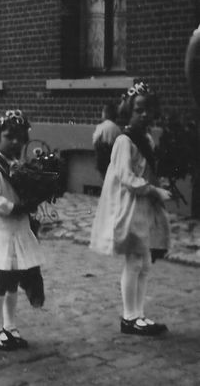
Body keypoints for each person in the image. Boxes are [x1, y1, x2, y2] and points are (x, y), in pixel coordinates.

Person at [89, 82, 172, 336]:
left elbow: (147, 169)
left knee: (144, 262)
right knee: (135, 260)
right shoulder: (124, 140)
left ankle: (139, 314)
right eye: (138, 110)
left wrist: (159, 183)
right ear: (128, 111)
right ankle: (129, 316)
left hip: (144, 204)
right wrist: (153, 190)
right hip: (130, 204)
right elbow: (125, 176)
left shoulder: (146, 137)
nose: (144, 115)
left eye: (148, 110)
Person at [0, 110, 43, 351]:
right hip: (0, 230)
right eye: (9, 135)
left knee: (14, 277)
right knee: (3, 279)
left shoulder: (17, 165)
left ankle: (11, 325)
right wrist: (15, 207)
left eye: (20, 137)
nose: (15, 141)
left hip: (16, 230)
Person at [92, 102, 121, 177]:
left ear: (105, 114)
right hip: (112, 159)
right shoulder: (117, 129)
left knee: (103, 177)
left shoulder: (101, 127)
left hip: (102, 158)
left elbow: (95, 141)